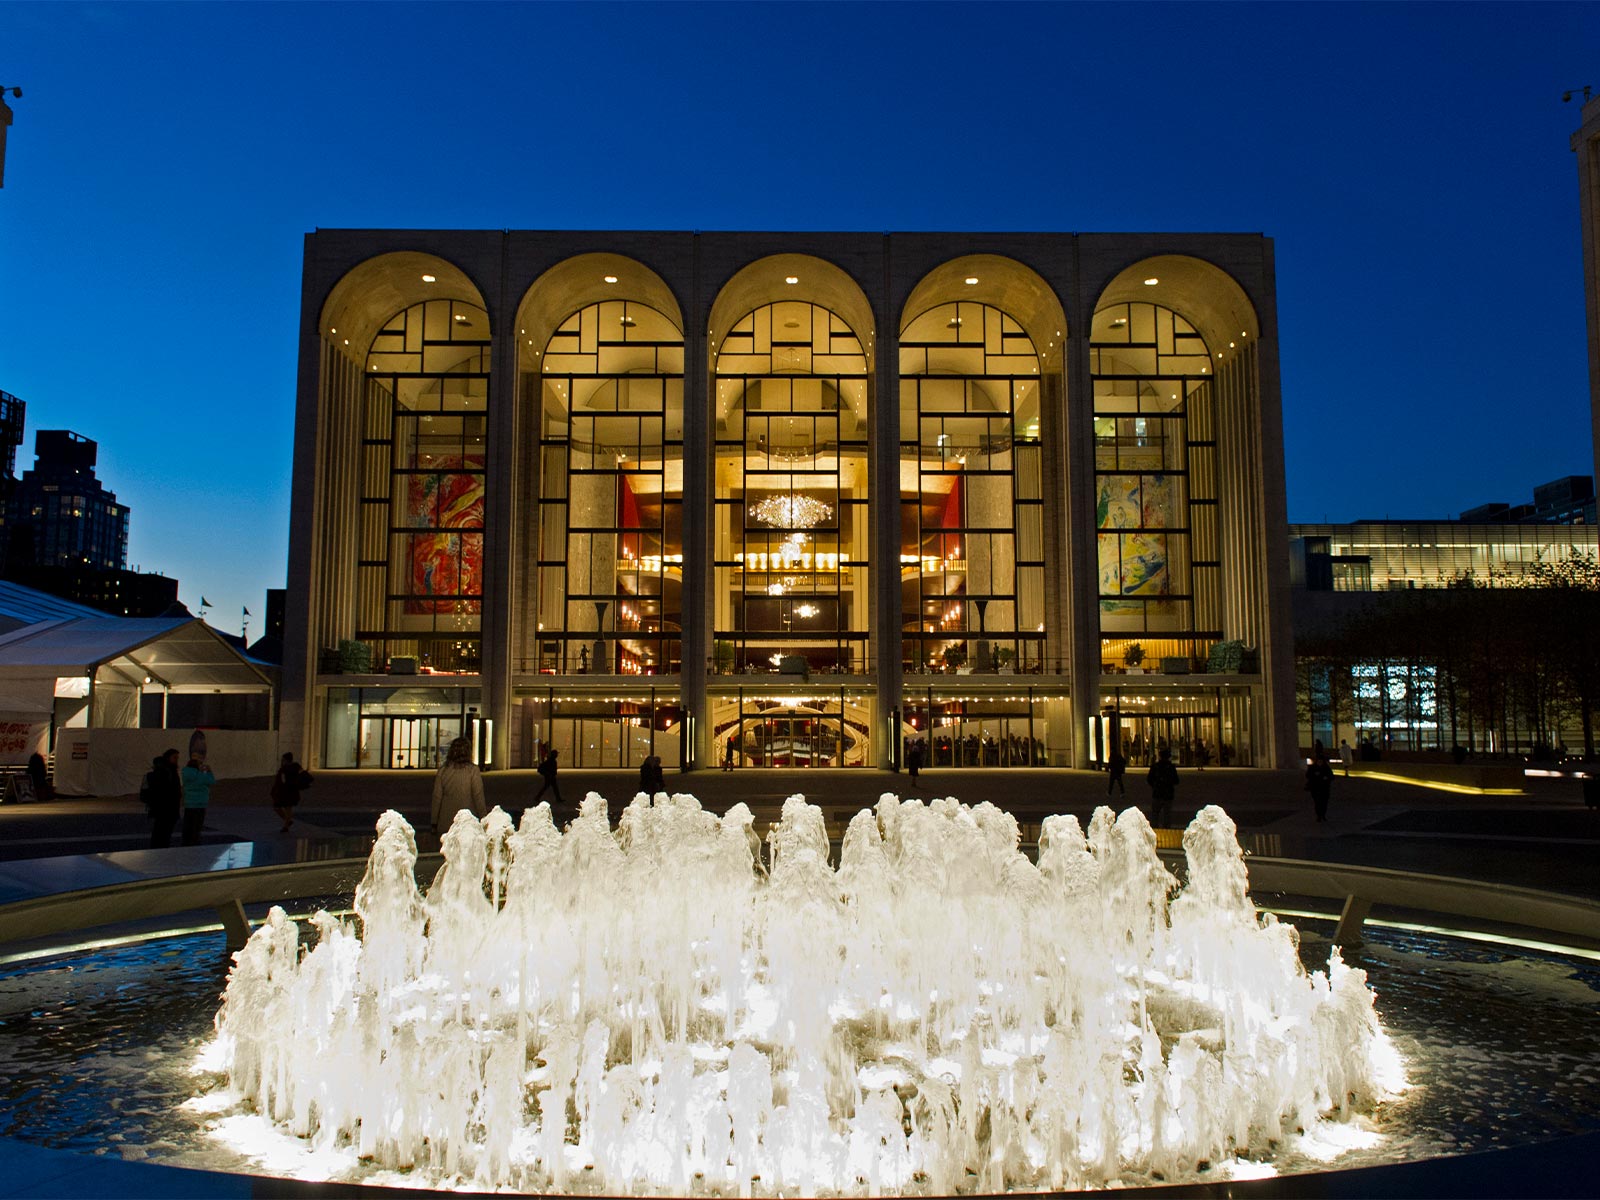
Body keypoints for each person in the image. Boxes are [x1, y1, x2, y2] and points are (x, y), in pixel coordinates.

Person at [431, 736, 485, 833]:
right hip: (467, 823)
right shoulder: (473, 771)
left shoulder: (443, 771)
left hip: (446, 822)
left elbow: (437, 798)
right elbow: (478, 797)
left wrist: (434, 822)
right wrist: (483, 819)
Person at [142, 748, 182, 848]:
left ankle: (158, 849)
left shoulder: (165, 770)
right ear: (168, 758)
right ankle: (160, 849)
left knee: (159, 831)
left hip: (162, 807)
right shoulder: (168, 771)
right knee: (164, 832)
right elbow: (168, 790)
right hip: (167, 807)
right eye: (175, 757)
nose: (176, 759)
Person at [180, 750, 216, 846]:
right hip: (200, 804)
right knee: (197, 826)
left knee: (188, 825)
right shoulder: (201, 775)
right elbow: (212, 781)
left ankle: (185, 842)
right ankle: (194, 843)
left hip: (189, 803)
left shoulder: (185, 773)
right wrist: (208, 771)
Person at [270, 751, 311, 832]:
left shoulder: (284, 769)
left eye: (283, 760)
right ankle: (287, 822)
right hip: (292, 790)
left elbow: (282, 780)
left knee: (280, 807)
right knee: (288, 808)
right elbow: (303, 774)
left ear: (285, 760)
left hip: (285, 791)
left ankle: (286, 824)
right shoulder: (296, 766)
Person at [1146, 748, 1179, 828]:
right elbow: (1176, 780)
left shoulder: (1155, 766)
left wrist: (1154, 785)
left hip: (1157, 793)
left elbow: (1149, 779)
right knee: (1167, 814)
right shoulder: (1171, 767)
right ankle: (1167, 829)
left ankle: (1155, 828)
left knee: (1155, 814)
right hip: (1168, 794)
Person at [1306, 740, 1335, 822]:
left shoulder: (1326, 768)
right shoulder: (1313, 768)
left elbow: (1332, 776)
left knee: (1324, 802)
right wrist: (1314, 778)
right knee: (1317, 802)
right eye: (1319, 761)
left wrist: (1326, 778)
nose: (1320, 763)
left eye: (1321, 761)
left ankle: (1323, 815)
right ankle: (1319, 815)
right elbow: (1308, 775)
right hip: (1315, 788)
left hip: (1324, 788)